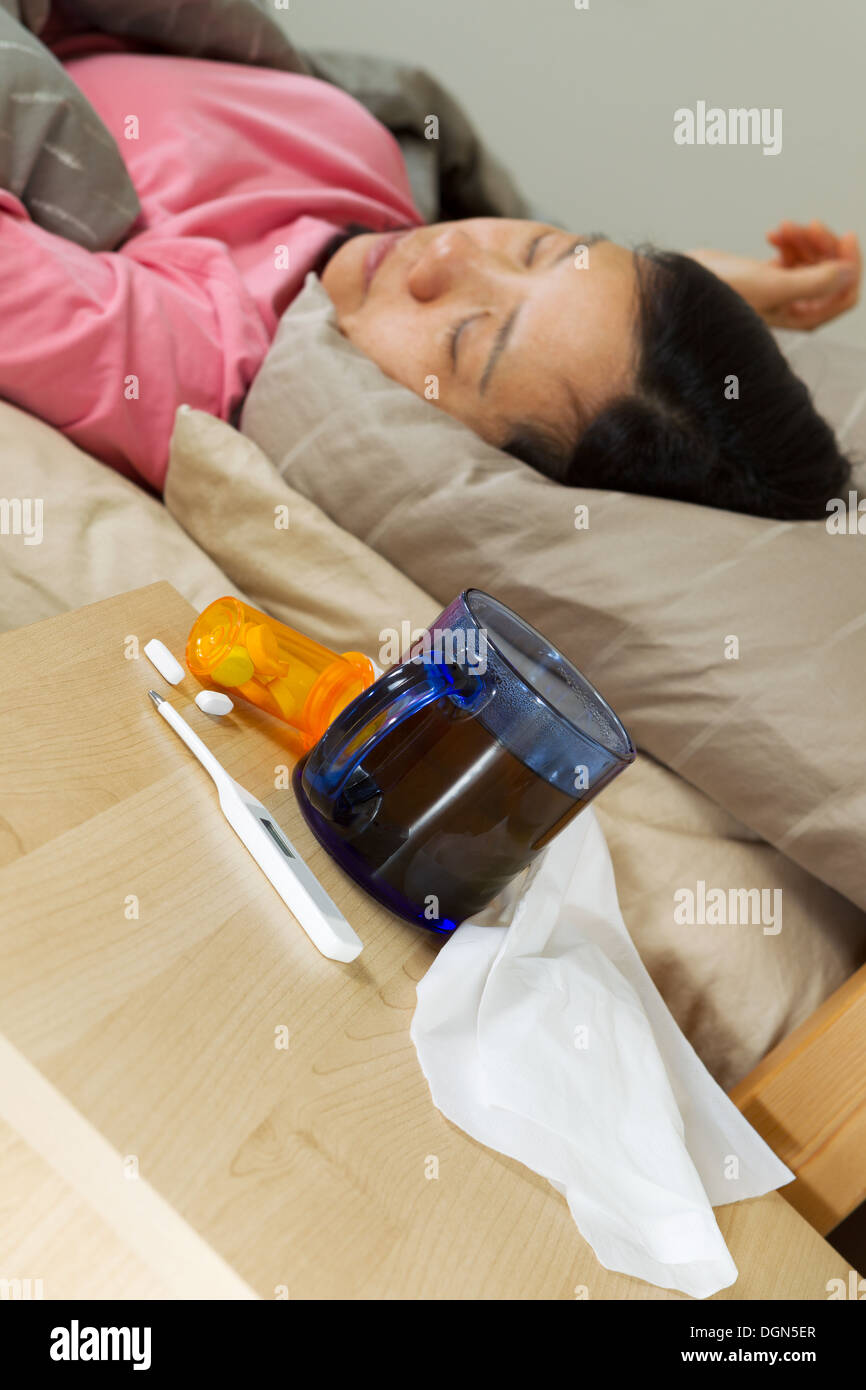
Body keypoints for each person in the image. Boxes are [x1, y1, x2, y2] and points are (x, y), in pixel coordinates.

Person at [0, 39, 859, 517]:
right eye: (536, 247)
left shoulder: (185, 360)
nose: (443, 255)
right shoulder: (371, 165)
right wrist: (733, 294)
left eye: (466, 336)